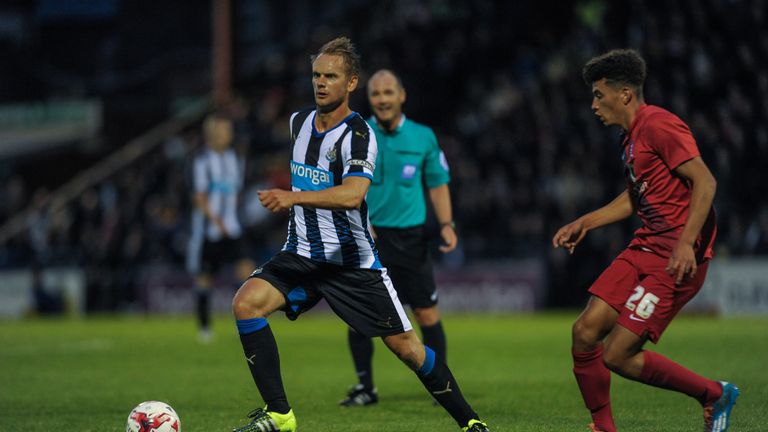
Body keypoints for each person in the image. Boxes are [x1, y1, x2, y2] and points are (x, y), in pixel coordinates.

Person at [230, 37, 489, 432]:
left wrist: (292, 196)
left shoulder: (360, 135)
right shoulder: (297, 122)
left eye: (330, 76)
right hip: (301, 253)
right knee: (246, 304)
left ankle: (470, 421)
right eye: (316, 75)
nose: (320, 83)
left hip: (352, 262)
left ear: (351, 83)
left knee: (407, 348)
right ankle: (280, 415)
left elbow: (353, 196)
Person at [552, 49, 739, 432]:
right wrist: (587, 222)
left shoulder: (659, 125)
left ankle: (713, 394)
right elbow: (638, 196)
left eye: (599, 95)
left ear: (624, 95)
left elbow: (706, 181)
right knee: (585, 332)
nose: (593, 104)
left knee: (617, 355)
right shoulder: (631, 137)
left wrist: (686, 243)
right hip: (645, 247)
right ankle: (603, 427)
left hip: (675, 258)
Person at [339, 69, 457, 407]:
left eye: (388, 92)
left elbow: (437, 182)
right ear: (370, 98)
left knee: (426, 315)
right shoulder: (357, 134)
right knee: (360, 316)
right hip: (368, 239)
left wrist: (447, 224)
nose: (382, 99)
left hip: (411, 240)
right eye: (376, 94)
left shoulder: (423, 137)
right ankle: (365, 389)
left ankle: (440, 386)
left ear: (401, 95)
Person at [187, 114, 254, 342]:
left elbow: (236, 192)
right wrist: (217, 221)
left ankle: (248, 323)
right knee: (205, 278)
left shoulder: (236, 159)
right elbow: (199, 197)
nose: (225, 135)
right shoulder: (202, 162)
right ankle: (204, 327)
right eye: (221, 131)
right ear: (211, 135)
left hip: (233, 228)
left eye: (227, 131)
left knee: (247, 271)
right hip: (211, 230)